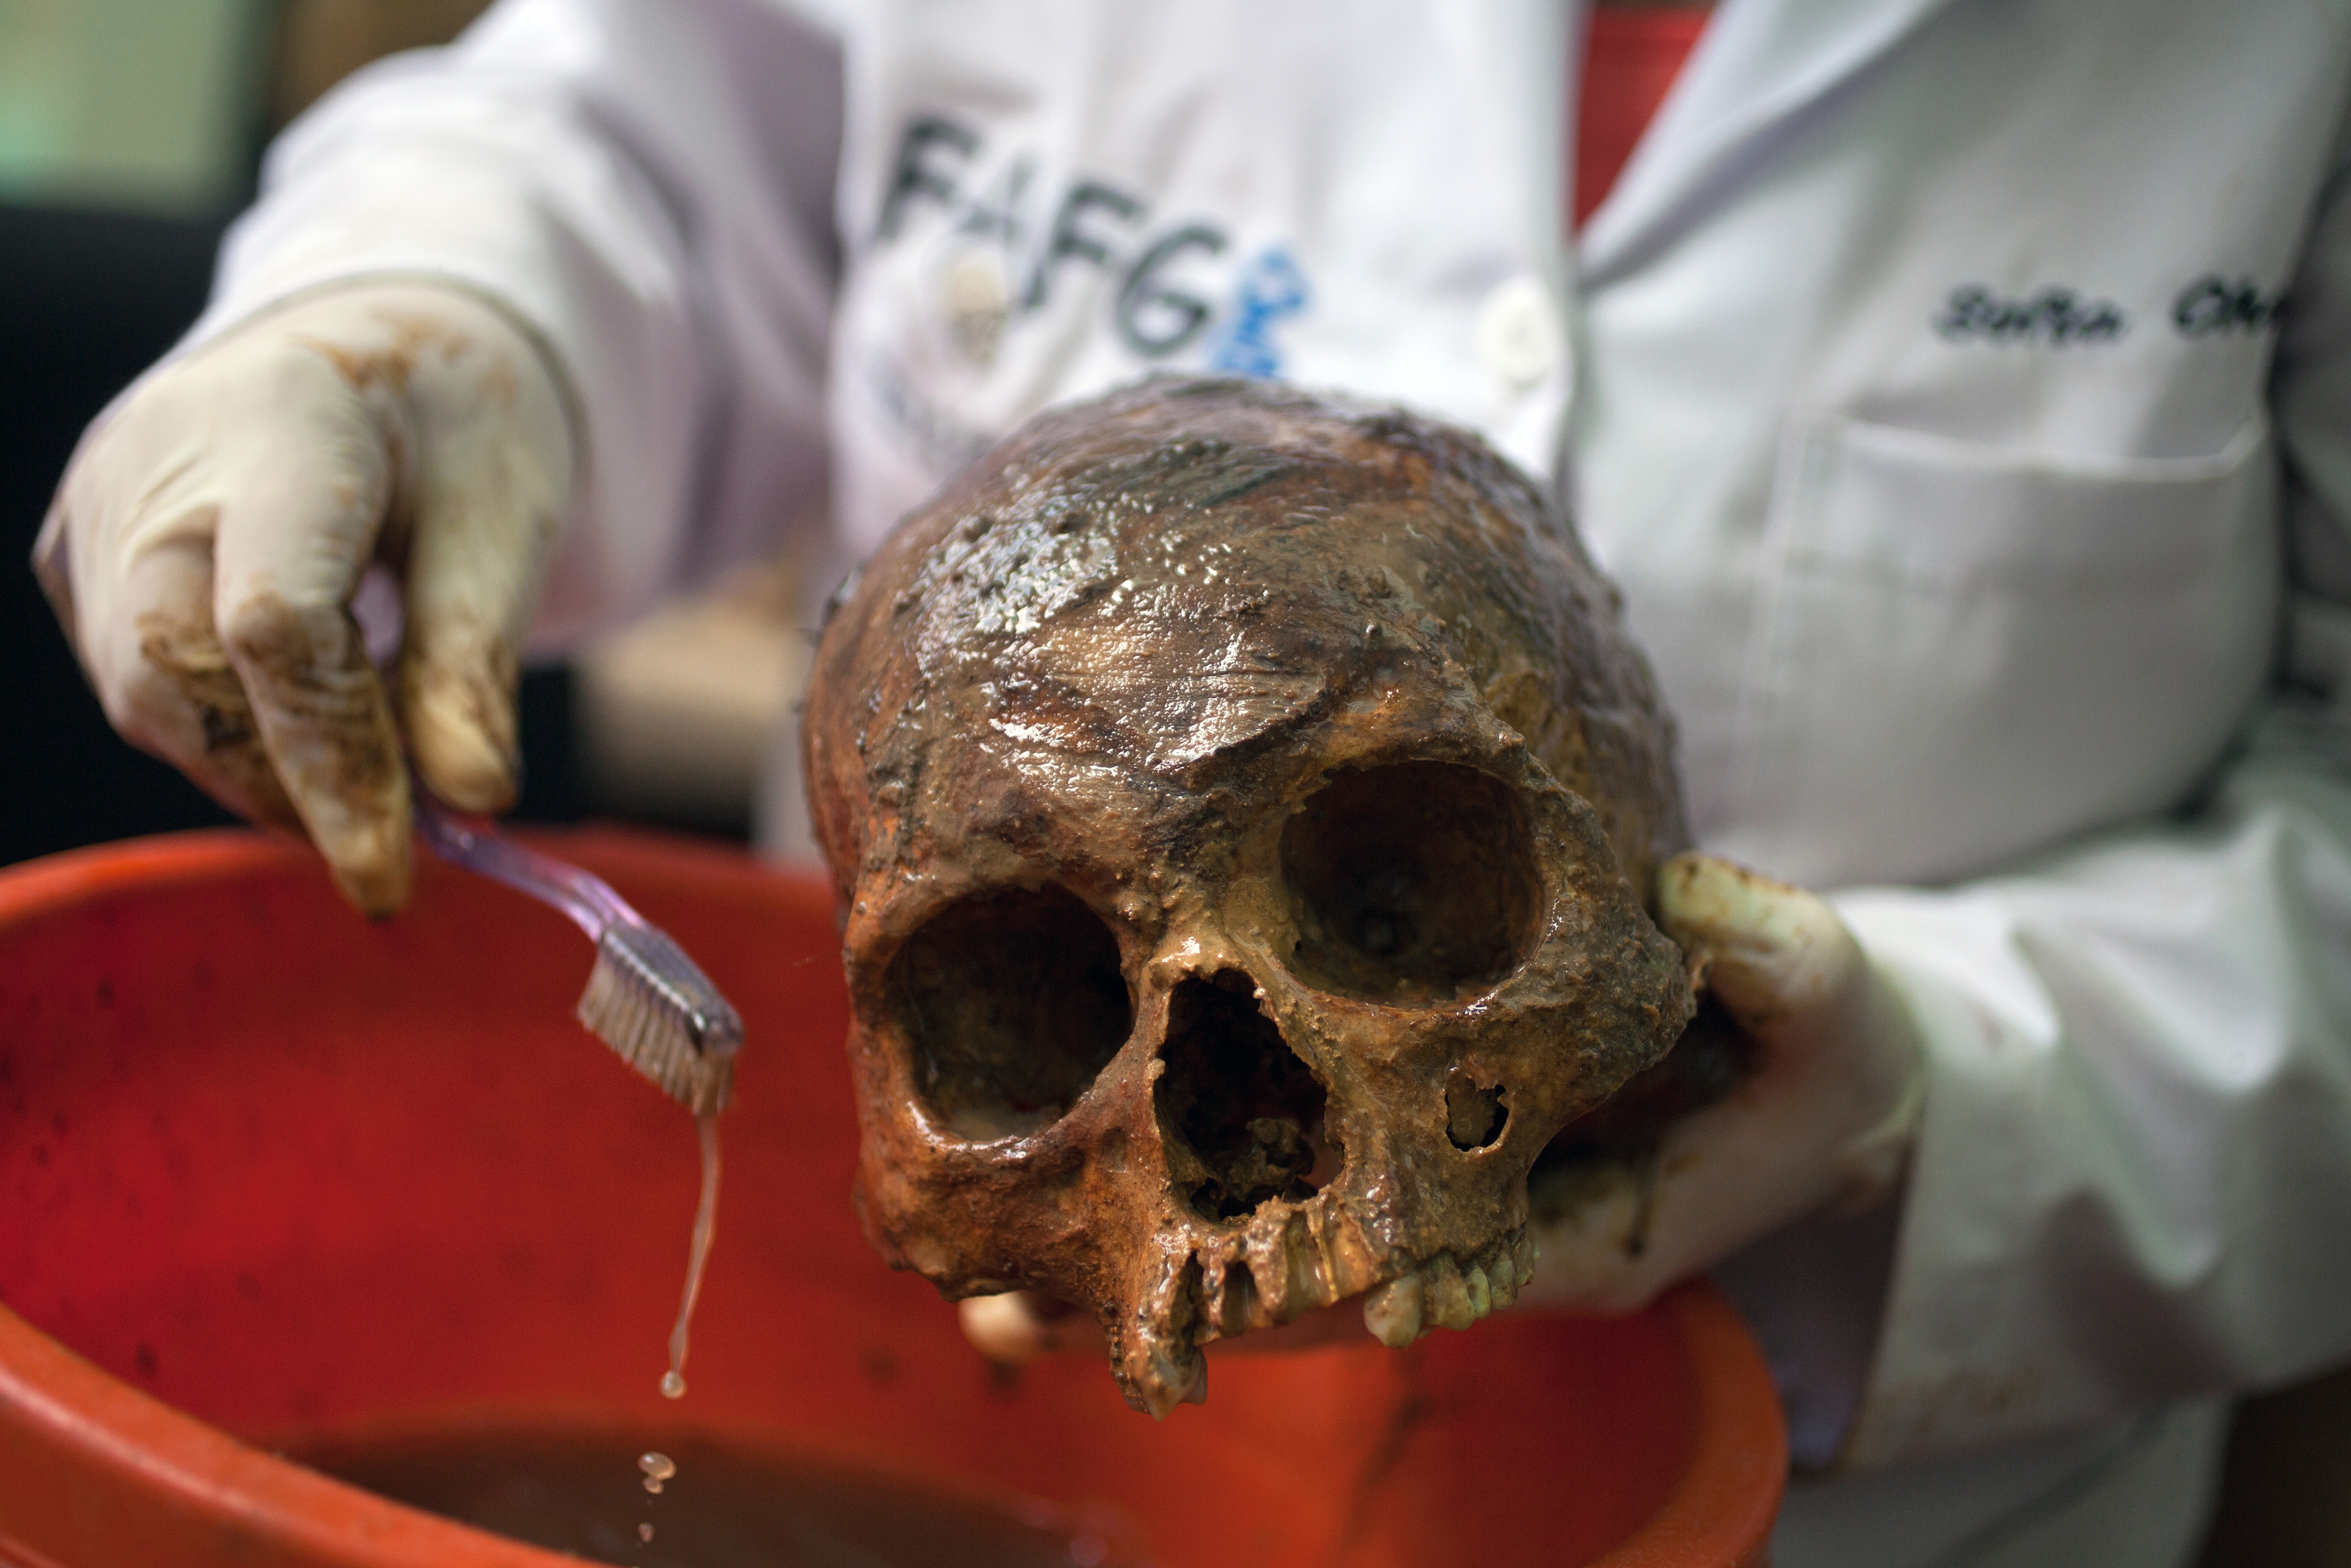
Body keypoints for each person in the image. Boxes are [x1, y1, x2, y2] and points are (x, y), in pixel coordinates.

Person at [30, 1, 2351, 1562]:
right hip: (922, 1390)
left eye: (1403, 896)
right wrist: (428, 322)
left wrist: (1940, 1092)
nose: (1225, 1095)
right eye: (1019, 985)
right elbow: (632, 115)